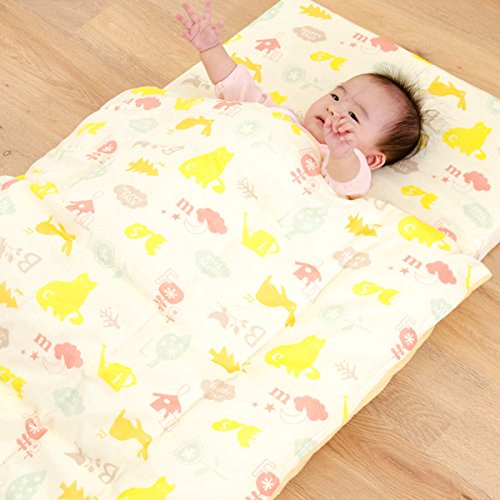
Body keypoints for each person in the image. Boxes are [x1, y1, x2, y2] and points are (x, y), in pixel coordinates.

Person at [175, 0, 425, 199]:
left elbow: (349, 184)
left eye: (353, 116)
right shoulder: (283, 118)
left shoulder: (335, 162)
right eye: (336, 96)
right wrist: (211, 49)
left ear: (371, 159)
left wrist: (342, 154)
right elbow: (237, 87)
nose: (334, 109)